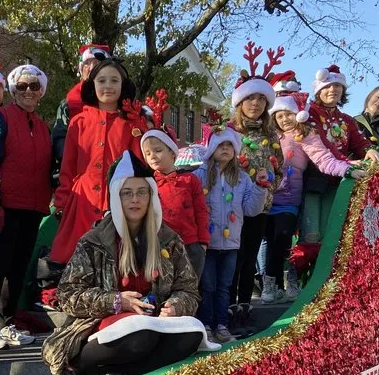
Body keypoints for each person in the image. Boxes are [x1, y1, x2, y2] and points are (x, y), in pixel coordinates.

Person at [42, 152, 205, 375]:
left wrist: (176, 305)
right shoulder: (94, 241)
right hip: (97, 327)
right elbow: (67, 295)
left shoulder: (169, 240)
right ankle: (76, 367)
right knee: (141, 336)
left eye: (141, 192)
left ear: (151, 196)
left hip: (154, 321)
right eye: (127, 193)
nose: (135, 199)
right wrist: (117, 301)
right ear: (116, 197)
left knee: (192, 334)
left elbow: (189, 289)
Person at [0, 64, 52, 351]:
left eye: (34, 86)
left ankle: (8, 322)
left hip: (33, 206)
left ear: (41, 91)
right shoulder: (2, 117)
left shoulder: (43, 126)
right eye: (21, 86)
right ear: (13, 90)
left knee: (19, 268)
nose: (28, 92)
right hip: (6, 205)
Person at [49, 58, 145, 265]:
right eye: (101, 80)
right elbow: (68, 166)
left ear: (123, 86)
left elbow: (138, 167)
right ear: (93, 85)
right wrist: (62, 201)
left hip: (118, 201)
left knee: (115, 261)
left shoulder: (132, 124)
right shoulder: (78, 122)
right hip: (82, 202)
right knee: (76, 260)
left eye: (114, 81)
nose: (108, 86)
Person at [267, 97, 364, 302]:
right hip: (265, 197)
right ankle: (270, 286)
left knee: (285, 239)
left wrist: (347, 170)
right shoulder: (269, 136)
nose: (285, 119)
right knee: (267, 242)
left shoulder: (305, 135)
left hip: (289, 199)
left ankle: (291, 282)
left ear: (298, 115)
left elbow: (324, 159)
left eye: (289, 114)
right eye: (280, 116)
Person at [194, 126, 268, 343]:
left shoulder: (243, 178)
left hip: (231, 244)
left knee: (225, 287)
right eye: (220, 145)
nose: (225, 149)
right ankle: (205, 324)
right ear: (212, 148)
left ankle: (221, 325)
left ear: (235, 150)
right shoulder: (199, 175)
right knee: (207, 286)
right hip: (207, 244)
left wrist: (260, 187)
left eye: (229, 146)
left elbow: (251, 209)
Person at [306, 66, 379, 244]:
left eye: (338, 86)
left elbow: (359, 141)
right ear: (318, 90)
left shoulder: (347, 120)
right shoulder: (309, 114)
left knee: (333, 231)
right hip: (314, 179)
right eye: (327, 86)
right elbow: (322, 145)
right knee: (311, 234)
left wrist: (368, 150)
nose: (333, 90)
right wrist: (346, 162)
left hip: (340, 182)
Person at [228, 74, 282, 311]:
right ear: (240, 103)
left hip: (260, 206)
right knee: (233, 259)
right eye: (251, 98)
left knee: (250, 258)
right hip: (232, 206)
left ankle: (245, 306)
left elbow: (278, 167)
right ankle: (227, 306)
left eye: (261, 99)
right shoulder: (229, 132)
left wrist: (270, 188)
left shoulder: (270, 135)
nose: (256, 104)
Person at [140, 127, 210, 277]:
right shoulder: (147, 183)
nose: (152, 156)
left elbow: (201, 211)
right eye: (147, 153)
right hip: (159, 245)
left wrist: (203, 242)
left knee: (189, 290)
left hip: (190, 245)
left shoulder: (190, 180)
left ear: (172, 152)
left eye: (158, 150)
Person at [51, 44, 112, 168]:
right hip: (78, 170)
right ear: (81, 69)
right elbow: (59, 139)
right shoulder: (68, 105)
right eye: (87, 64)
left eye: (97, 63)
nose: (92, 67)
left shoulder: (116, 100)